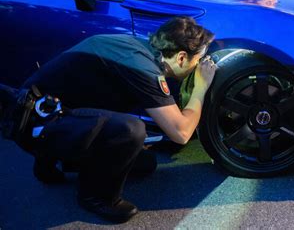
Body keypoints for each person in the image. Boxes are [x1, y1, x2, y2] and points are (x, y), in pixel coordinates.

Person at [21, 17, 216, 223]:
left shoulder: (136, 48)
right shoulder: (143, 68)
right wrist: (200, 89)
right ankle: (96, 197)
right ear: (181, 57)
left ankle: (54, 160)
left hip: (39, 114)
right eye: (197, 60)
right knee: (131, 131)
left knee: (145, 163)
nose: (197, 67)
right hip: (34, 124)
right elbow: (181, 133)